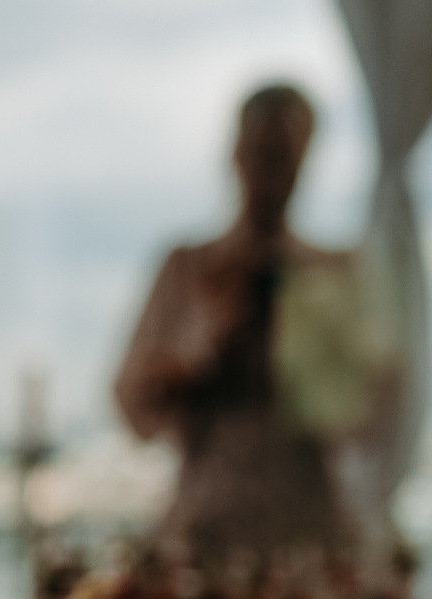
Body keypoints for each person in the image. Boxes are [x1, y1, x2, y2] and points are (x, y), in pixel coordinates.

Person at [113, 84, 397, 569]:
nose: (272, 170)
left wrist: (322, 343)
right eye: (262, 151)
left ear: (304, 161)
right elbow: (133, 408)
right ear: (236, 153)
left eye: (284, 154)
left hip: (311, 534)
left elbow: (376, 416)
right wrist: (202, 348)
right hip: (205, 531)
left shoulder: (338, 272)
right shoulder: (188, 267)